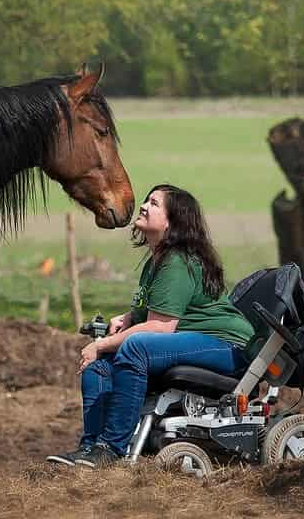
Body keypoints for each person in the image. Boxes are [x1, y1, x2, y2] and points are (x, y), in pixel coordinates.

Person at [46, 184, 255, 469]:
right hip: (190, 338)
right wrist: (129, 317)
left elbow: (160, 327)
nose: (144, 205)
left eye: (154, 204)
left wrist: (101, 344)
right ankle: (91, 450)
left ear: (172, 222)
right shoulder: (155, 261)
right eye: (147, 200)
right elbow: (153, 311)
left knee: (134, 348)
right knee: (98, 369)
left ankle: (111, 448)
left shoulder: (177, 262)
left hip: (226, 344)